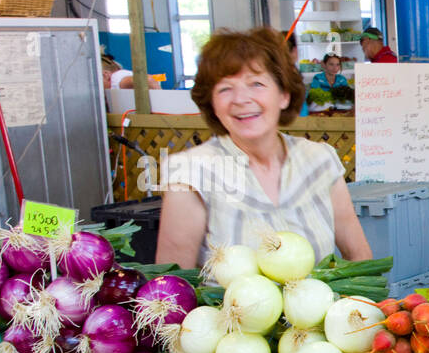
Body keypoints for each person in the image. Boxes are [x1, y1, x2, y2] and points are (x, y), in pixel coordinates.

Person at [154, 27, 372, 270]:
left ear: (284, 95)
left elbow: (360, 257)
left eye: (256, 83)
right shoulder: (191, 173)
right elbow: (171, 292)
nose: (241, 99)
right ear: (212, 104)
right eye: (225, 88)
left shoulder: (319, 160)